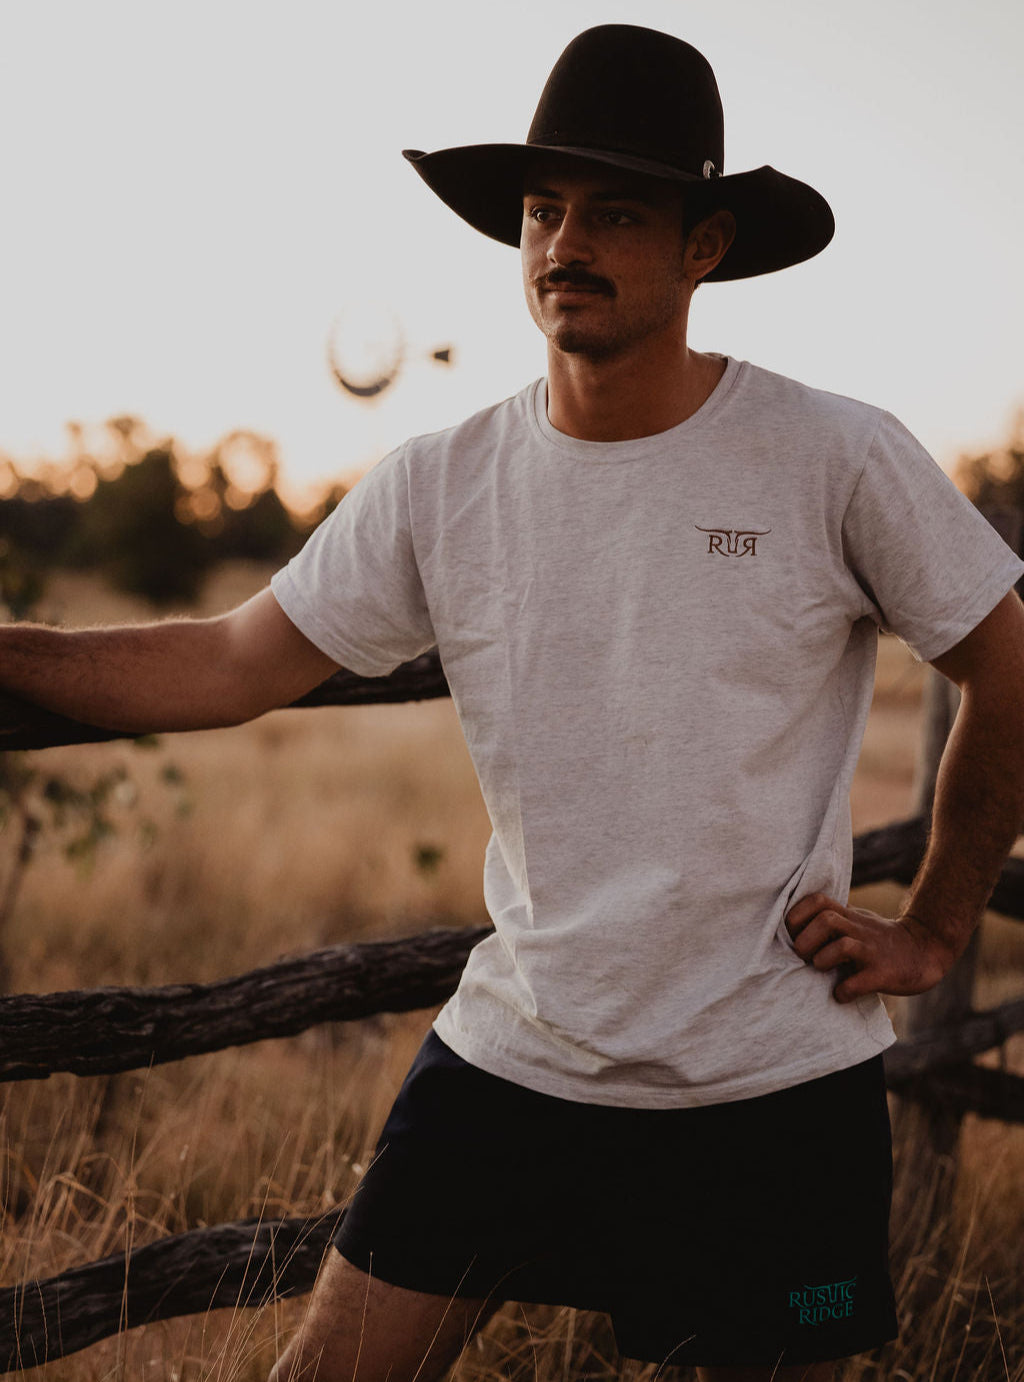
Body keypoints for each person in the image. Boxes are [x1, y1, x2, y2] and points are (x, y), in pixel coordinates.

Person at [3, 23, 1023, 1382]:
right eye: (543, 212)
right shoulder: (443, 481)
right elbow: (230, 661)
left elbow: (1008, 661)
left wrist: (939, 922)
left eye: (613, 212)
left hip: (769, 1087)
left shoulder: (833, 457)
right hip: (517, 1059)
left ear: (705, 246)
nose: (563, 244)